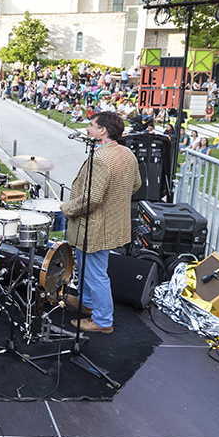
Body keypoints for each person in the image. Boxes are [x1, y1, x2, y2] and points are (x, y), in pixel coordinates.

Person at [58, 112, 141, 334]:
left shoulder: (102, 159)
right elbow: (136, 184)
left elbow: (91, 199)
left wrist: (68, 209)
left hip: (95, 228)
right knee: (88, 266)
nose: (87, 128)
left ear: (102, 130)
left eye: (91, 125)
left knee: (96, 273)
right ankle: (87, 302)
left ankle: (103, 321)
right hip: (110, 224)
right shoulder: (126, 152)